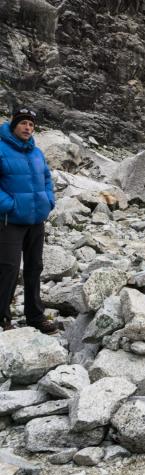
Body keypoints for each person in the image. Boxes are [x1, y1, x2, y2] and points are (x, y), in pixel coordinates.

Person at [0, 107, 57, 334]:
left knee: (35, 267)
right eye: (24, 123)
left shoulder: (36, 152)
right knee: (8, 269)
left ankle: (35, 316)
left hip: (36, 220)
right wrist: (9, 205)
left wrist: (48, 200)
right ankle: (3, 317)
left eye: (32, 125)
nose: (28, 128)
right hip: (10, 221)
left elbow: (46, 177)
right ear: (14, 125)